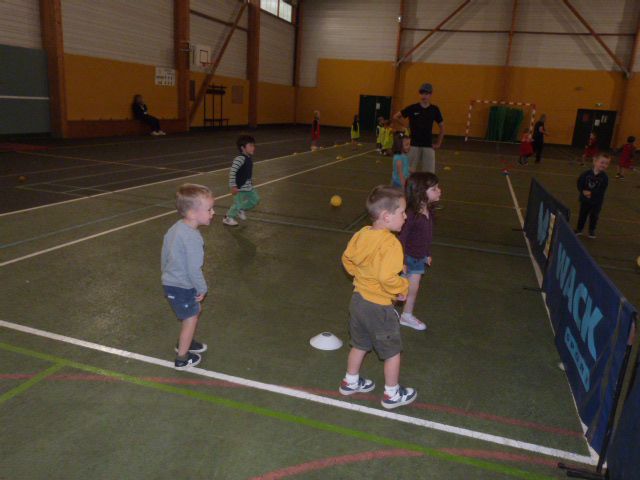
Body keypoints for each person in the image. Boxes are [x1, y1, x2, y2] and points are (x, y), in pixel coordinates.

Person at [340, 185, 417, 410]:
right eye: (402, 212)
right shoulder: (392, 244)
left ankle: (350, 382)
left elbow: (348, 260)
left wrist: (363, 276)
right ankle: (392, 394)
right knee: (392, 352)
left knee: (359, 344)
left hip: (358, 301)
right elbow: (385, 277)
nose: (405, 216)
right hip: (379, 307)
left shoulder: (362, 233)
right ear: (386, 216)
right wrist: (402, 286)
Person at [161, 183, 214, 370]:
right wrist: (202, 288)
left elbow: (165, 254)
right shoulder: (193, 238)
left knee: (193, 312)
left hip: (173, 282)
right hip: (181, 285)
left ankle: (186, 341)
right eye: (209, 209)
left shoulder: (176, 228)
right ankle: (182, 357)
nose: (212, 213)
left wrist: (166, 275)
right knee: (191, 317)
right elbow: (194, 269)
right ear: (192, 213)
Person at [397, 172, 441, 331]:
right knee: (397, 288)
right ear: (421, 192)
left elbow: (427, 236)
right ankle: (381, 311)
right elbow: (401, 238)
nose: (439, 191)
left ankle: (406, 315)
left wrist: (427, 253)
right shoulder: (411, 215)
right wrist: (401, 261)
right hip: (407, 258)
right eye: (434, 188)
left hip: (419, 258)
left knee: (413, 289)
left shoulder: (429, 212)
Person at [393, 82, 444, 173]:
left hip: (428, 145)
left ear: (430, 94)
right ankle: (408, 187)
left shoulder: (434, 109)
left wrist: (438, 143)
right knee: (407, 172)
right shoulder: (413, 108)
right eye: (422, 93)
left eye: (426, 94)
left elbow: (442, 127)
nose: (424, 96)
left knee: (429, 174)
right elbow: (396, 116)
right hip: (413, 145)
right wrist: (405, 125)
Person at [223, 135, 260, 226]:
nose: (253, 147)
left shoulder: (248, 158)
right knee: (238, 204)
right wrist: (233, 186)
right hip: (238, 188)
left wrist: (250, 183)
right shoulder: (239, 159)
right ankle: (228, 218)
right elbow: (232, 173)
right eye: (250, 145)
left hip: (248, 187)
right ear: (243, 148)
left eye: (253, 145)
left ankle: (241, 210)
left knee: (255, 200)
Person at [575, 154, 610, 239]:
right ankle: (579, 229)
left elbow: (601, 190)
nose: (604, 165)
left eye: (606, 164)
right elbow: (579, 183)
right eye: (602, 162)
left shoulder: (604, 177)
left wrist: (591, 193)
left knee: (594, 216)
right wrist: (583, 190)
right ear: (595, 162)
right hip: (585, 200)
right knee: (582, 214)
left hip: (596, 202)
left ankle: (591, 230)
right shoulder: (586, 174)